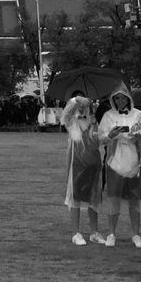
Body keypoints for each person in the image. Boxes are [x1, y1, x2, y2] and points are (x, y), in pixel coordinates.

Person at [97, 85, 141, 248]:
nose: (120, 101)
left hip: (134, 159)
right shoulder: (108, 116)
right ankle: (111, 233)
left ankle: (136, 234)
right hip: (115, 160)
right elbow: (101, 138)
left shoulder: (139, 115)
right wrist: (111, 135)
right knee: (113, 197)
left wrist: (139, 135)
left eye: (122, 98)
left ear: (128, 98)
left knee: (134, 199)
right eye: (116, 98)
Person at [60, 96, 103, 245]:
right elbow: (64, 115)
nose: (83, 111)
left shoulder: (93, 121)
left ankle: (94, 232)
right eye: (81, 108)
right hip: (76, 164)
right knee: (75, 197)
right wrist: (76, 100)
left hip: (93, 164)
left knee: (94, 198)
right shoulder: (72, 122)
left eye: (85, 107)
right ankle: (75, 233)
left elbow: (98, 141)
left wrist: (94, 122)